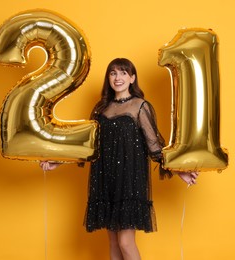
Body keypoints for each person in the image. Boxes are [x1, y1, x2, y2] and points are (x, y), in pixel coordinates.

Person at [40, 58, 198, 260]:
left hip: (130, 181)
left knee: (125, 242)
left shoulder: (140, 106)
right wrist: (57, 160)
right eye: (113, 73)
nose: (118, 77)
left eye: (123, 72)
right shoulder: (101, 109)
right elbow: (88, 145)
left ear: (132, 78)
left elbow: (155, 147)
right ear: (109, 78)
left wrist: (178, 169)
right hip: (105, 178)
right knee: (114, 242)